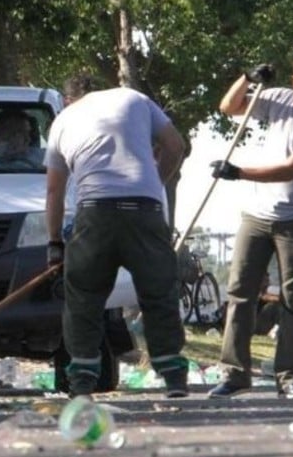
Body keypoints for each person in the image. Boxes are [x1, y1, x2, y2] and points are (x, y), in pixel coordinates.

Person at [45, 72, 189, 398]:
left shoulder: (63, 120)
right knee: (159, 292)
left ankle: (82, 382)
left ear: (67, 100)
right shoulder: (134, 98)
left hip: (95, 214)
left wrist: (54, 243)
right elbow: (175, 145)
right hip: (145, 211)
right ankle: (173, 378)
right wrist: (156, 183)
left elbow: (54, 190)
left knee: (84, 297)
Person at [206, 52, 293, 400]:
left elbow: (290, 169)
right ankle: (235, 375)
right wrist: (247, 78)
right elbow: (229, 107)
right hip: (256, 216)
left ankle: (289, 378)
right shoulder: (278, 97)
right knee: (239, 294)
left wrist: (238, 172)